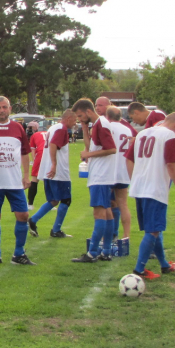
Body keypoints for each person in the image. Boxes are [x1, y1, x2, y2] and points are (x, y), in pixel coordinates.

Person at [125, 113, 175, 279]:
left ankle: (164, 265)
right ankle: (139, 270)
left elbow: (128, 160)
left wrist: (134, 179)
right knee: (153, 230)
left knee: (154, 228)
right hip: (155, 187)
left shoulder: (142, 133)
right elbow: (171, 163)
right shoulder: (168, 135)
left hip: (139, 187)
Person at [0, 96, 35, 266]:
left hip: (14, 181)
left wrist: (26, 175)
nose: (2, 110)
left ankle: (19, 254)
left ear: (10, 108)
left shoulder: (18, 128)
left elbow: (25, 153)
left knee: (23, 215)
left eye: (4, 107)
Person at [71, 98, 117, 263]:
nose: (79, 118)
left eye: (80, 115)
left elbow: (111, 149)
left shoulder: (101, 124)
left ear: (88, 112)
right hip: (101, 175)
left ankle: (92, 253)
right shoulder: (97, 125)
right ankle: (106, 250)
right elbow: (91, 146)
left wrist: (88, 155)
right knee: (107, 211)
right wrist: (84, 128)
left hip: (101, 176)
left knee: (99, 213)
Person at [28, 110, 77, 238]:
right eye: (74, 120)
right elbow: (54, 144)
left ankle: (33, 220)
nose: (75, 123)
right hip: (58, 171)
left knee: (54, 200)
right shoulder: (61, 129)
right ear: (68, 118)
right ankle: (56, 230)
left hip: (46, 170)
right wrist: (54, 164)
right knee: (66, 200)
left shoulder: (53, 127)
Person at [106, 106, 135, 255]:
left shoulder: (108, 127)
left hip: (110, 170)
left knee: (106, 205)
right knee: (123, 204)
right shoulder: (127, 130)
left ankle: (109, 236)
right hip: (124, 170)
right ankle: (126, 236)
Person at [27, 127, 46, 210]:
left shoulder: (34, 135)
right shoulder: (49, 133)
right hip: (50, 153)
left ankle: (30, 204)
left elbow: (33, 150)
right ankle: (51, 202)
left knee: (35, 179)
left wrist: (34, 161)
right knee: (48, 178)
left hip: (41, 153)